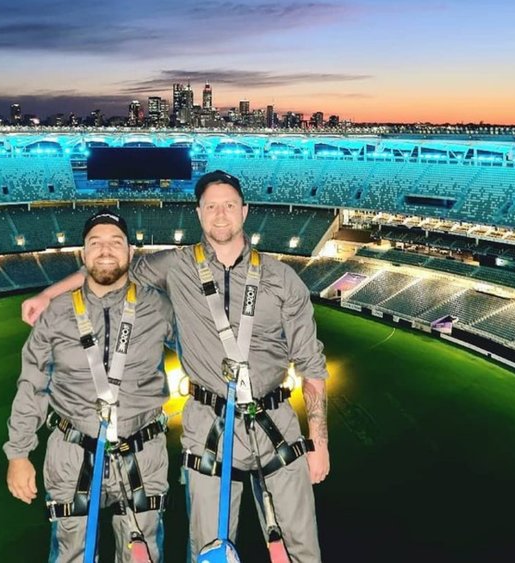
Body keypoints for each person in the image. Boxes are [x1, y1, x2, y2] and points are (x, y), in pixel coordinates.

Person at [23, 171, 330, 562]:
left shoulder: (284, 280)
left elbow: (312, 366)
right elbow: (110, 269)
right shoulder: (175, 267)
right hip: (208, 426)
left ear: (245, 211)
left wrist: (319, 444)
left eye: (230, 205)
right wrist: (48, 295)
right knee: (207, 550)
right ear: (199, 214)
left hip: (279, 423)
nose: (221, 215)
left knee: (302, 548)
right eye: (212, 207)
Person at [5, 209, 175, 563]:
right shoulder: (55, 314)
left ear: (130, 252)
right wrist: (19, 454)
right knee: (72, 555)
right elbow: (31, 385)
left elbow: (204, 354)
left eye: (116, 242)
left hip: (143, 454)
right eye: (95, 243)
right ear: (82, 255)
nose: (105, 249)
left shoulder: (159, 308)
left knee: (143, 554)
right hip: (71, 454)